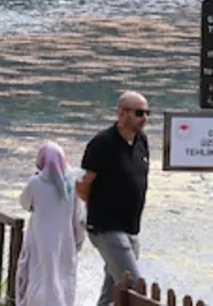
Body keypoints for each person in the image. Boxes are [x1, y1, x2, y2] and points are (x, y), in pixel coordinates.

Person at [78, 91, 151, 306]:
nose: (145, 118)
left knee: (113, 291)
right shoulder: (102, 143)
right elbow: (83, 185)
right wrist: (99, 210)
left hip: (131, 226)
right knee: (134, 287)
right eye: (139, 113)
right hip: (106, 227)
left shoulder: (142, 141)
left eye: (147, 113)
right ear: (122, 113)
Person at [17, 141, 86, 306]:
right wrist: (78, 242)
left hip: (39, 239)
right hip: (65, 241)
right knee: (63, 279)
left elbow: (24, 203)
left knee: (39, 277)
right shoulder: (71, 185)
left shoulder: (35, 182)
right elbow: (78, 218)